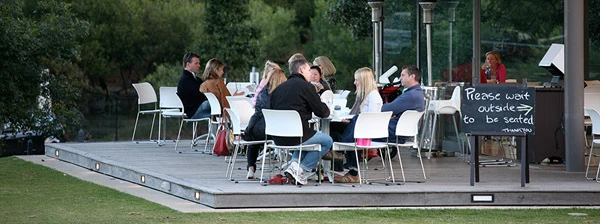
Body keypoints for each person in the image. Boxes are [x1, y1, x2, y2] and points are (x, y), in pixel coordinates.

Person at [334, 65, 424, 183]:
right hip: (397, 130)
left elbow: (384, 109)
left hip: (393, 132)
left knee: (357, 123)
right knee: (354, 124)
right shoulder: (415, 93)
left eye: (403, 75)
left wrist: (387, 113)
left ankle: (341, 152)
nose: (400, 78)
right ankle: (342, 154)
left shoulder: (411, 95)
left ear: (412, 76)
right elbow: (391, 110)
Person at [270, 57, 333, 185]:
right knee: (327, 141)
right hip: (298, 136)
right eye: (309, 70)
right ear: (301, 69)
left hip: (277, 137)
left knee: (305, 140)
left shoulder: (278, 89)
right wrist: (327, 106)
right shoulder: (306, 87)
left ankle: (294, 165)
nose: (311, 73)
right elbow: (322, 112)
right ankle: (302, 169)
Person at [331, 67, 383, 183]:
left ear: (364, 81)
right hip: (359, 127)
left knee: (341, 130)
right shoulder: (363, 96)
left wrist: (353, 120)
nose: (354, 83)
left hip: (365, 131)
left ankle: (345, 160)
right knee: (332, 126)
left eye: (357, 80)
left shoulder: (373, 96)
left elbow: (370, 119)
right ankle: (337, 154)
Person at [243, 68, 287, 179]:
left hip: (261, 129)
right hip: (279, 131)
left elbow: (257, 114)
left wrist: (249, 129)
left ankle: (251, 167)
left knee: (253, 142)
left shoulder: (263, 93)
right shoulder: (285, 95)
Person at [177, 52, 210, 119]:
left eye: (199, 63)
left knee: (217, 105)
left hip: (195, 109)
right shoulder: (185, 80)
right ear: (188, 64)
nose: (199, 65)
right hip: (192, 112)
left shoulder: (194, 79)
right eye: (196, 63)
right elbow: (199, 95)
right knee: (216, 103)